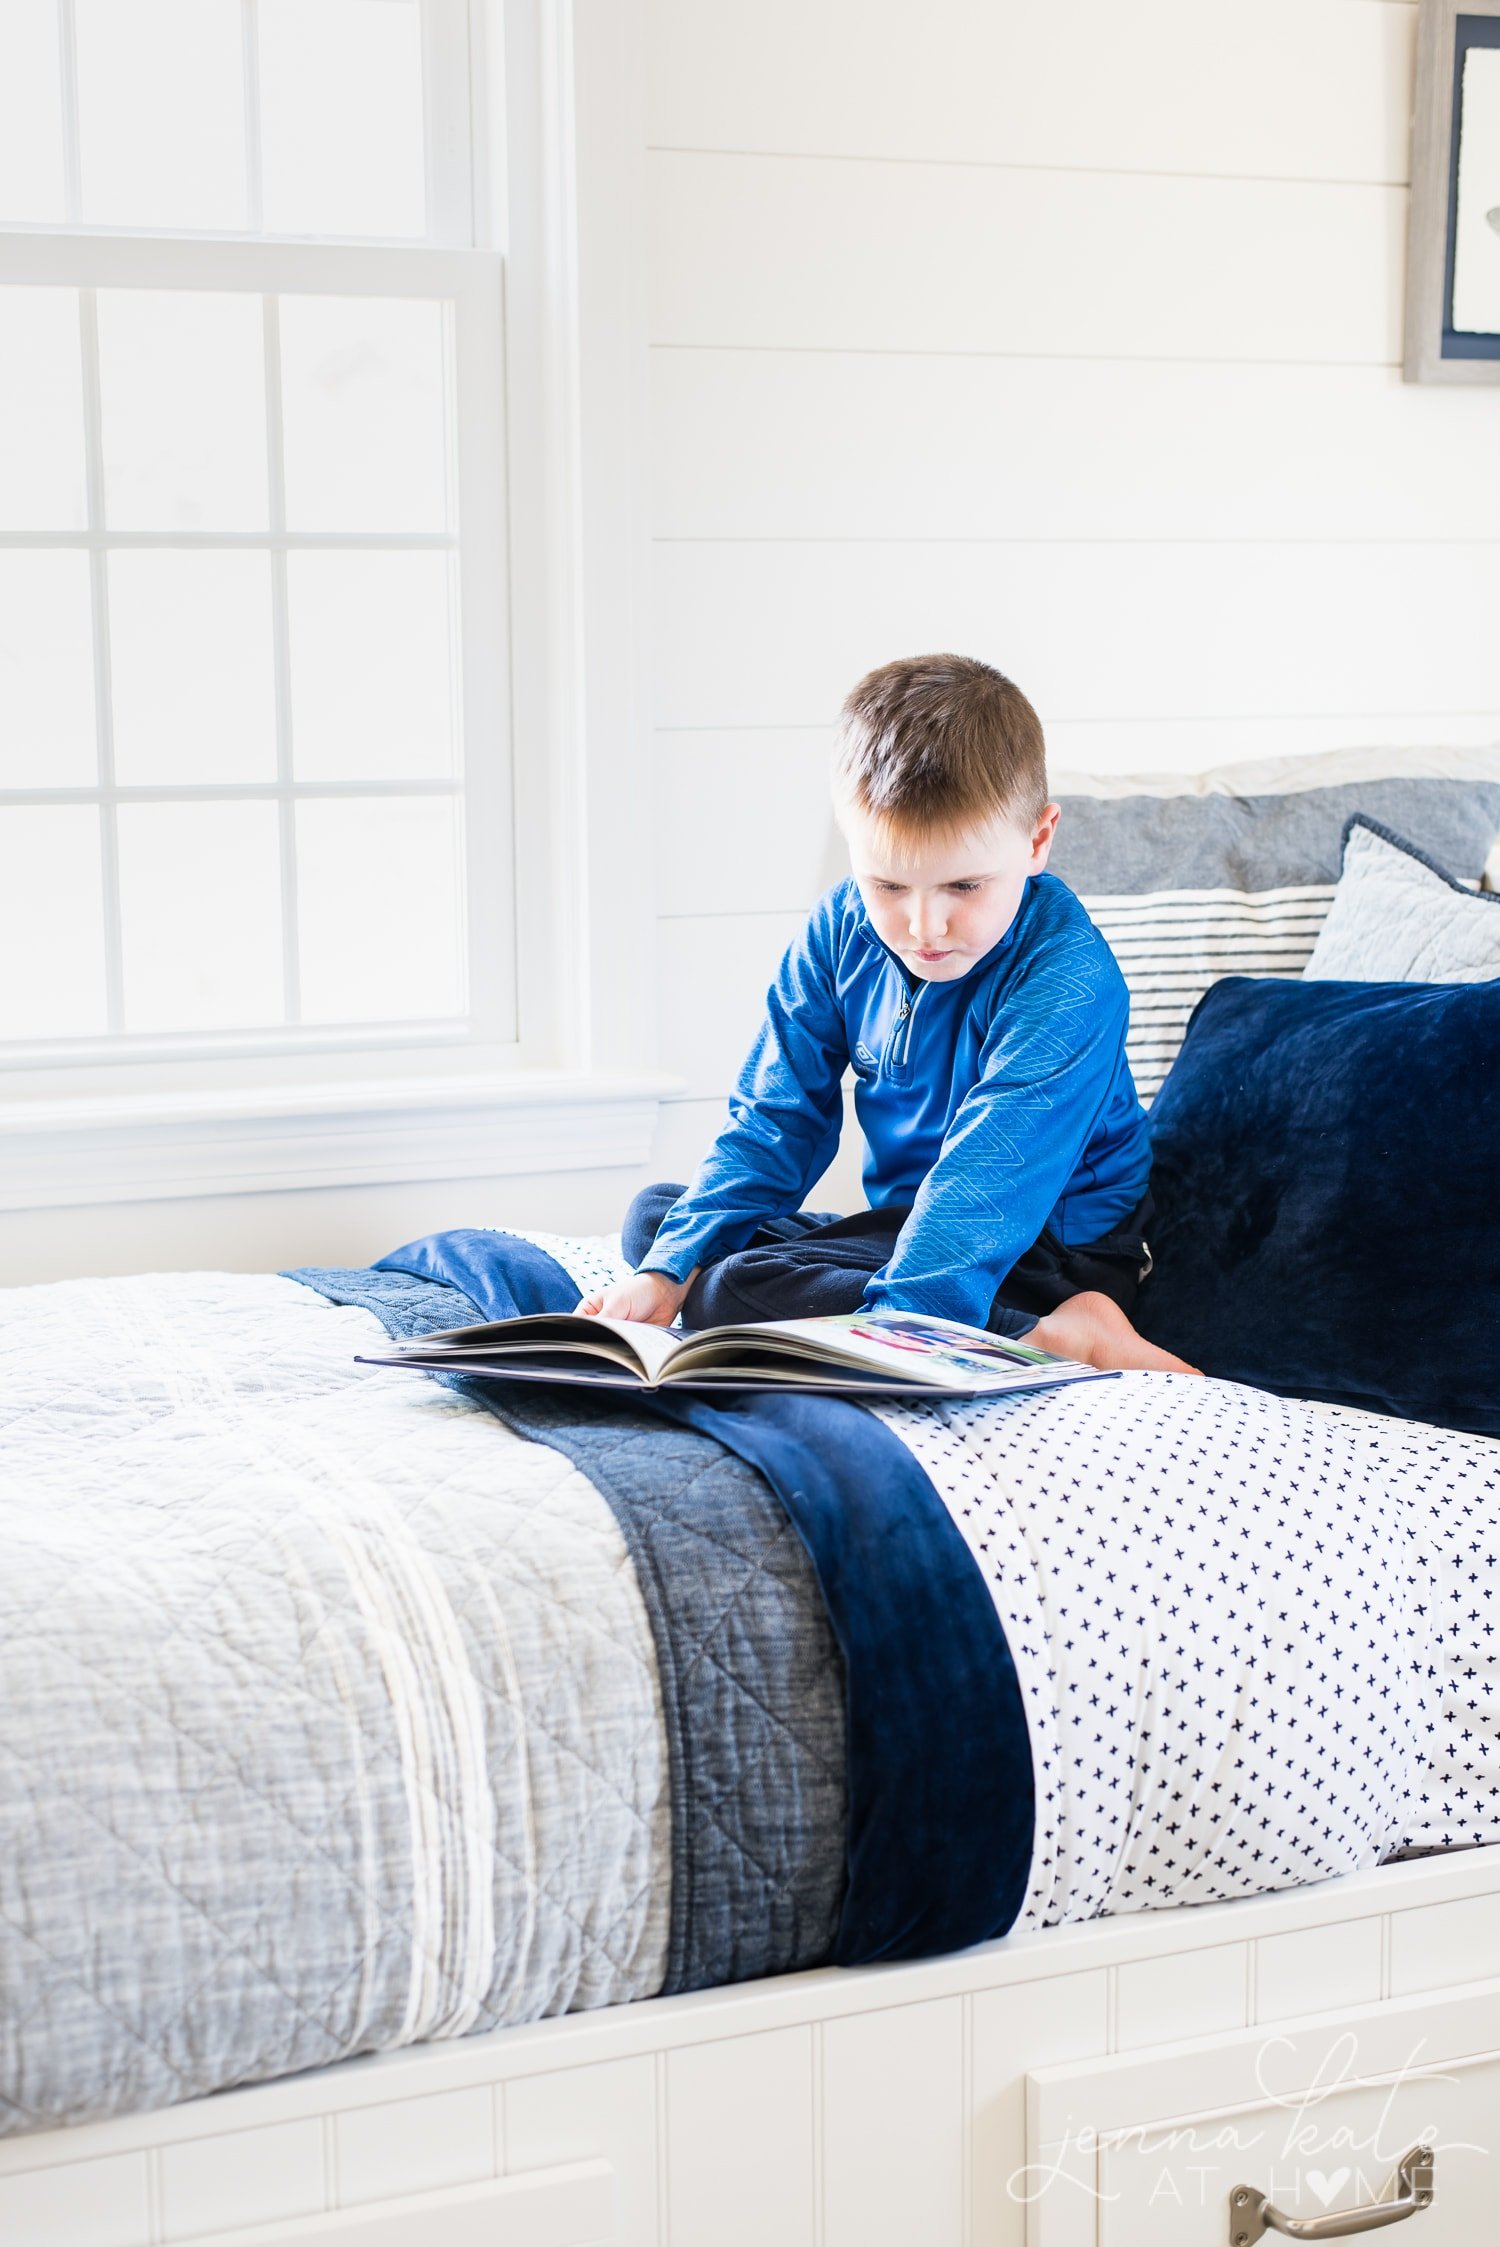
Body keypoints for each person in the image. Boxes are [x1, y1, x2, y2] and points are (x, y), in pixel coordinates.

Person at [581, 653, 1197, 1375]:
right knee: (661, 1225)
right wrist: (669, 1267)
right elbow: (775, 1119)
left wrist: (891, 1339)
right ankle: (966, 1320)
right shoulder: (839, 928)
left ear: (1036, 841)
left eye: (964, 885)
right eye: (888, 884)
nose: (925, 926)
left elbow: (984, 1187)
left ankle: (1055, 1333)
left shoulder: (1067, 979)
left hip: (1049, 1249)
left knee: (726, 1290)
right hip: (912, 1224)